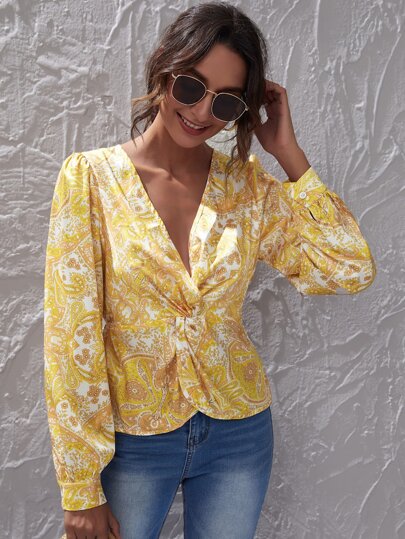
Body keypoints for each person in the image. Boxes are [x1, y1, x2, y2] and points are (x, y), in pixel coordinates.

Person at [43, 2, 376, 539]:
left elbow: (350, 268)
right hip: (132, 438)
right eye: (191, 87)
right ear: (164, 70)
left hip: (237, 433)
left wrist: (289, 154)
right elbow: (70, 337)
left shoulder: (248, 188)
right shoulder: (90, 180)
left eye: (225, 101)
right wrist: (80, 485)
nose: (202, 113)